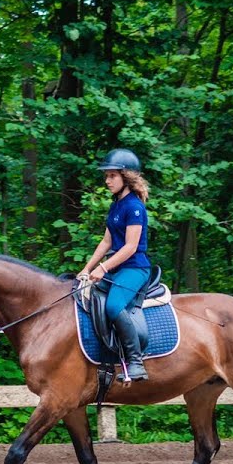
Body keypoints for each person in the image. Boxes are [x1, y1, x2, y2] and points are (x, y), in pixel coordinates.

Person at [79, 148, 152, 382]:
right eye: (106, 176)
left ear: (126, 177)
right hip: (118, 268)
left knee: (113, 306)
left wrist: (103, 268)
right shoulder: (116, 206)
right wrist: (88, 268)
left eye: (112, 176)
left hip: (135, 268)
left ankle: (136, 362)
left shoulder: (134, 207)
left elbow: (130, 247)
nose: (107, 180)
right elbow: (107, 241)